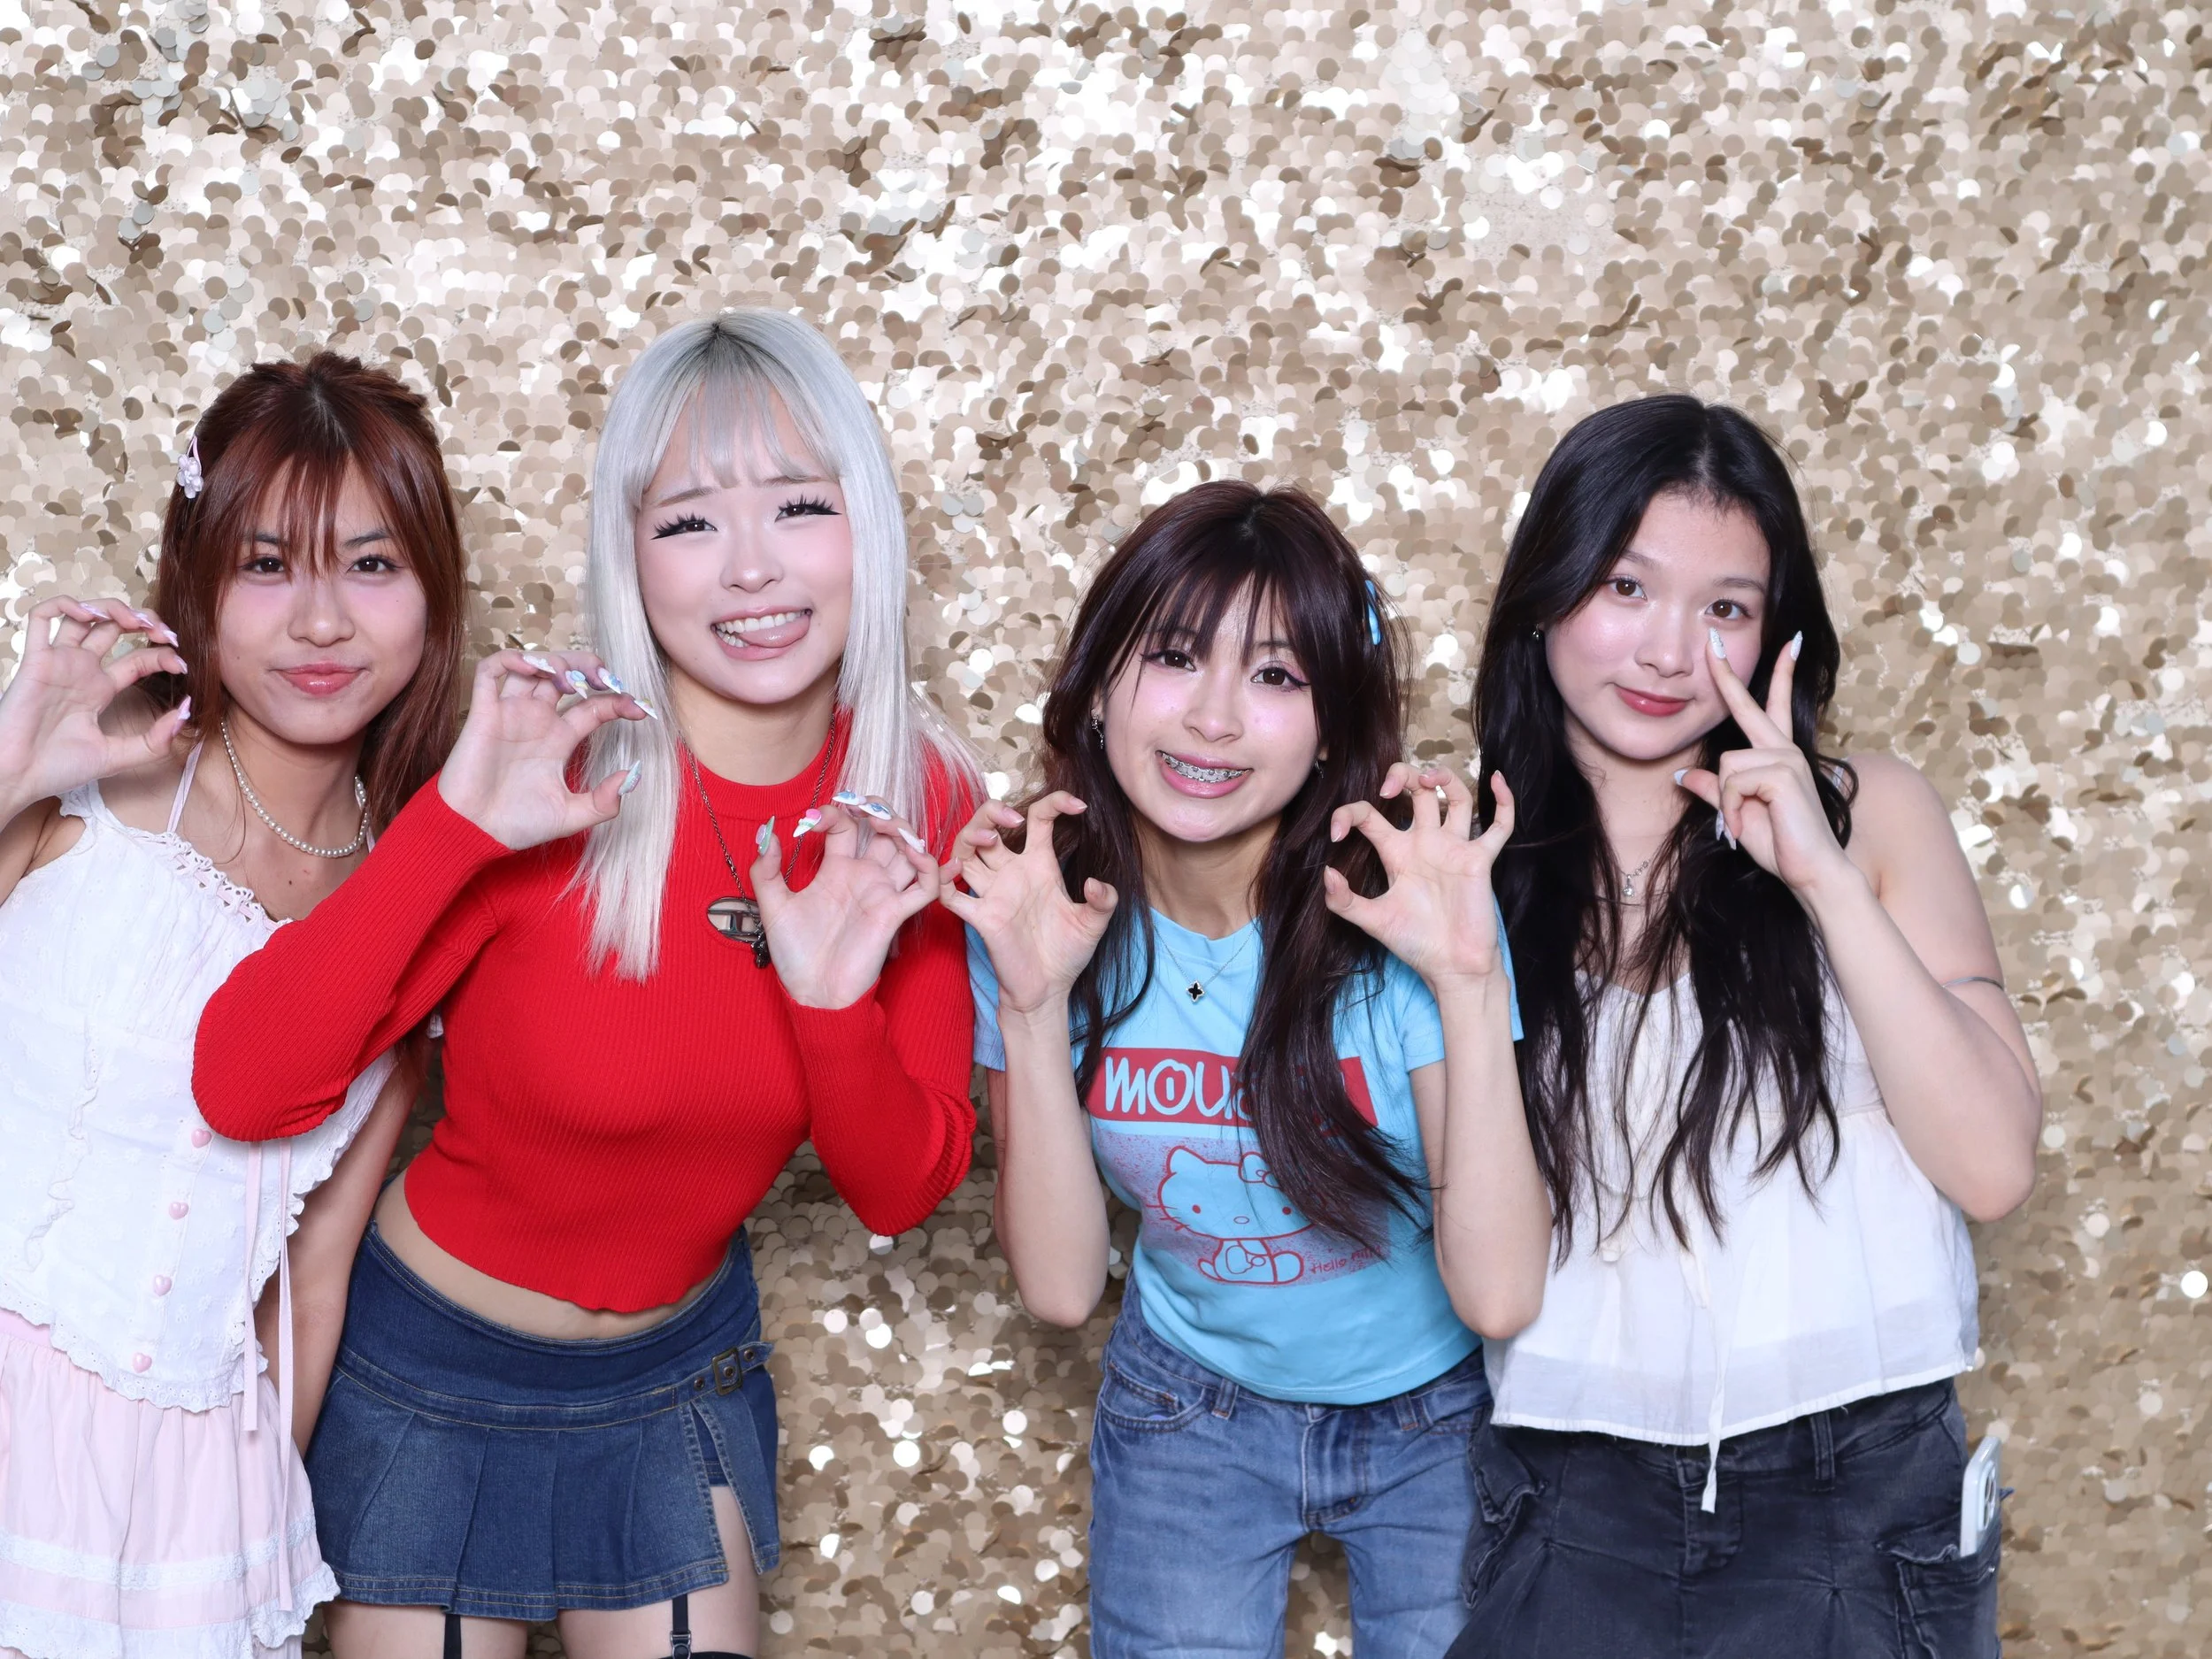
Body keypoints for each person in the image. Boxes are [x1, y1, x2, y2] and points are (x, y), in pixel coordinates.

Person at [193, 310, 980, 1659]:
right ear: (630, 552)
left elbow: (900, 1188)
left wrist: (829, 1004)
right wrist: (455, 826)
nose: (750, 566)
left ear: (868, 523)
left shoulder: (915, 793)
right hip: (432, 1373)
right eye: (689, 521)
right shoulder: (555, 759)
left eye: (800, 504)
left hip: (672, 1381)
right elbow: (244, 1086)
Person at [1445, 396, 2039, 1659]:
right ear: (1547, 591)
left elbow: (1993, 1165)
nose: (1669, 650)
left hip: (1861, 1486)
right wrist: (1462, 965)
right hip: (1569, 1494)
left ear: (1775, 632)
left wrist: (1822, 878)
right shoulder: (1462, 863)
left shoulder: (1873, 813)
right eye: (1626, 586)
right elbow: (1492, 1287)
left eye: (1725, 606)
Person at [949, 481, 1550, 1659]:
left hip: (1436, 1413)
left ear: (1329, 727)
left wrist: (1470, 981)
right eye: (1174, 658)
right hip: (1191, 1402)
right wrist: (1030, 1003)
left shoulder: (1404, 906)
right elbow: (1062, 1288)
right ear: (1100, 686)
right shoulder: (1038, 905)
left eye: (1275, 675)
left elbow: (1500, 1300)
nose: (1215, 718)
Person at [0, 353, 469, 1658]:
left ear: (434, 590)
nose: (321, 622)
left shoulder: (412, 900)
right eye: (269, 565)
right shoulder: (83, 784)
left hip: (193, 1497)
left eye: (371, 565)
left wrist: (245, 1531)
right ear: (200, 579)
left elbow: (310, 1273)